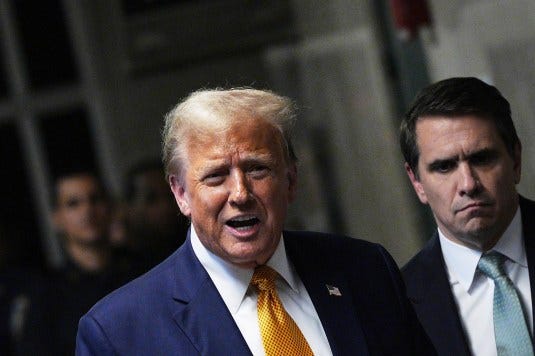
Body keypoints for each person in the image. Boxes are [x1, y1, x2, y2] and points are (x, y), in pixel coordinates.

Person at [76, 88, 434, 355]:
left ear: (291, 180)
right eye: (216, 176)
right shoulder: (119, 333)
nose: (240, 193)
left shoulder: (365, 270)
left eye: (257, 168)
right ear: (181, 194)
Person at [400, 77, 535, 355]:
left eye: (482, 159)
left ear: (516, 160)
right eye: (445, 167)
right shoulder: (397, 302)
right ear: (417, 183)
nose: (468, 184)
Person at [28, 171, 133, 355]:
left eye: (95, 199)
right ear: (57, 218)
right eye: (73, 203)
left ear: (110, 207)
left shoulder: (144, 271)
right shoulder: (46, 296)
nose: (87, 210)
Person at [122, 159, 188, 273]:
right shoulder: (122, 267)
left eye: (170, 196)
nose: (165, 206)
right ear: (129, 206)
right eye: (151, 199)